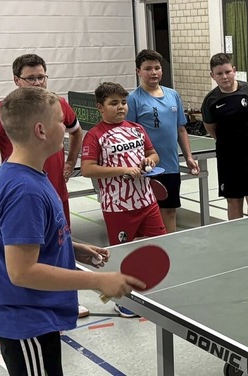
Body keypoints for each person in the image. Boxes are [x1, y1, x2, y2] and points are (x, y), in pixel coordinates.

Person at [0, 86, 142, 375]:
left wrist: (71, 248)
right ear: (41, 131)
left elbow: (20, 239)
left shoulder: (23, 172)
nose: (67, 127)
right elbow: (22, 271)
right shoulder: (25, 190)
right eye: (60, 121)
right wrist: (98, 282)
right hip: (26, 322)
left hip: (36, 315)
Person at [0, 53, 90, 318]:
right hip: (26, 193)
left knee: (58, 242)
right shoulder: (2, 111)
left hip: (54, 189)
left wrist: (70, 162)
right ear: (17, 80)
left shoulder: (59, 105)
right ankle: (31, 303)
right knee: (23, 253)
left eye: (41, 77)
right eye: (30, 78)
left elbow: (76, 131)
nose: (37, 83)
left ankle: (64, 299)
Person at [81, 82, 167, 318]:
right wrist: (122, 170)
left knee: (160, 247)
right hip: (118, 206)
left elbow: (153, 154)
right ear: (100, 107)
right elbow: (87, 169)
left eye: (123, 103)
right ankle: (123, 300)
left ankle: (154, 291)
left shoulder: (137, 129)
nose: (120, 108)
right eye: (113, 103)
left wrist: (150, 161)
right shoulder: (95, 135)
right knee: (123, 254)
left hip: (147, 201)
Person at [127, 49, 199, 232]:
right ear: (138, 71)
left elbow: (181, 129)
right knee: (148, 213)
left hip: (171, 165)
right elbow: (129, 134)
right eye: (148, 68)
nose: (153, 72)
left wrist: (189, 157)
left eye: (157, 68)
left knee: (169, 212)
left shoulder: (173, 95)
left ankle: (169, 249)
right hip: (146, 168)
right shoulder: (133, 99)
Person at [201, 53, 248, 220]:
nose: (224, 77)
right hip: (228, 158)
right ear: (212, 76)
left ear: (234, 70)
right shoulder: (210, 100)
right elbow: (210, 127)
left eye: (227, 72)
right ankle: (236, 240)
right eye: (219, 74)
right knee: (233, 201)